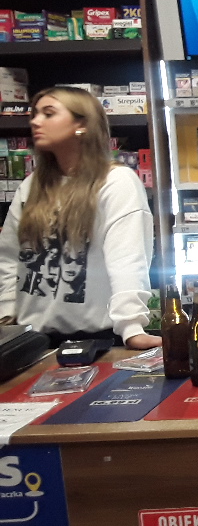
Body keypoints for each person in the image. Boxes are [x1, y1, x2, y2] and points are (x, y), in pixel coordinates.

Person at [0, 87, 160, 349]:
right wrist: (7, 316)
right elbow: (9, 257)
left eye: (48, 114)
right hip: (32, 341)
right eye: (35, 114)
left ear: (82, 124)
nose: (36, 121)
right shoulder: (32, 186)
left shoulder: (116, 182)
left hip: (96, 341)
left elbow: (127, 260)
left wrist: (131, 327)